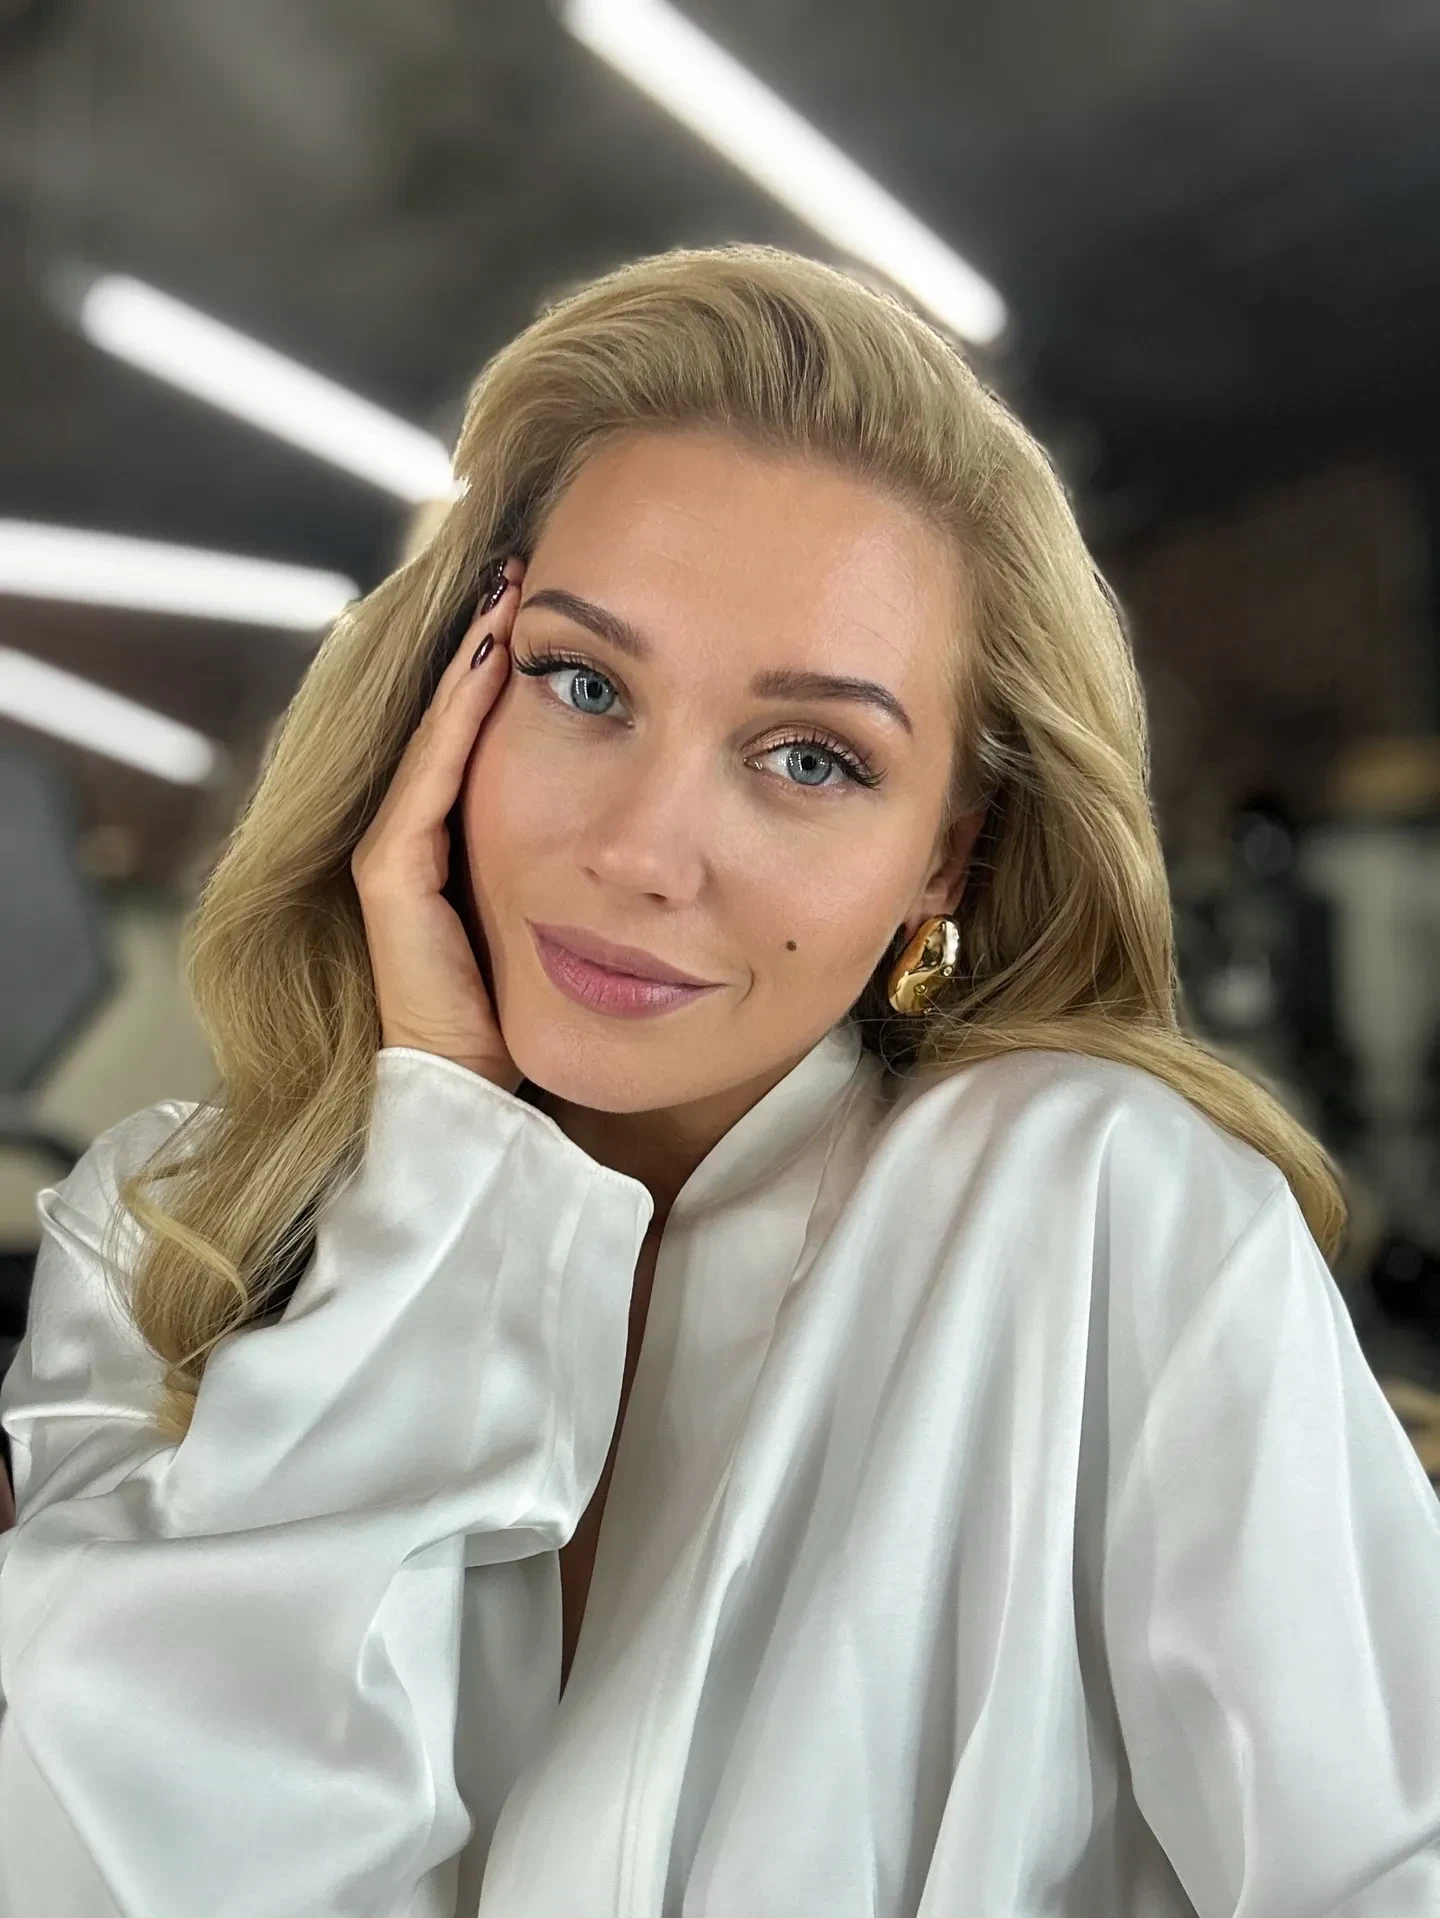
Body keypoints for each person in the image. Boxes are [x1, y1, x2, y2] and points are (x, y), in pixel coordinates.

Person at [1, 244, 1436, 1918]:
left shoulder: (1097, 1206)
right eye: (584, 683)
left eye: (812, 756)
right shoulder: (169, 1236)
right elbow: (100, 1870)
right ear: (447, 696)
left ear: (945, 859)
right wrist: (436, 1177)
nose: (640, 850)